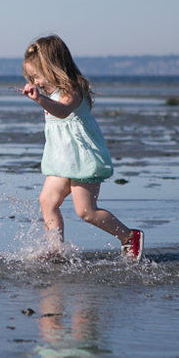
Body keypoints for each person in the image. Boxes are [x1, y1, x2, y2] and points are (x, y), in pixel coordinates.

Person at [19, 35, 143, 259]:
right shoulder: (51, 95)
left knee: (86, 212)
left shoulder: (73, 89)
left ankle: (129, 237)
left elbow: (63, 111)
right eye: (31, 77)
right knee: (47, 201)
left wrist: (39, 100)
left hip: (83, 158)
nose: (35, 81)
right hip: (61, 159)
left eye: (37, 75)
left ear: (54, 67)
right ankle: (55, 250)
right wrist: (42, 98)